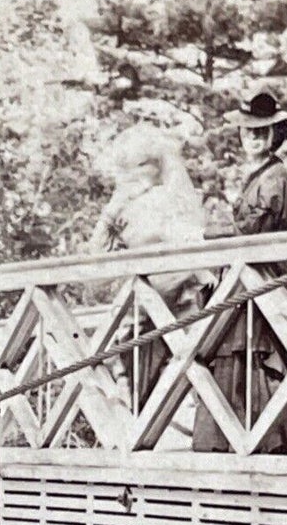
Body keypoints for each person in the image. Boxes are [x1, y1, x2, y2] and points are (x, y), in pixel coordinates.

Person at [199, 88, 287, 453]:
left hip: (263, 279)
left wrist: (209, 232)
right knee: (230, 359)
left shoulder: (277, 177)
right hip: (243, 281)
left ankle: (266, 444)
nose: (253, 138)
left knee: (256, 358)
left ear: (274, 135)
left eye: (261, 131)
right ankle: (229, 443)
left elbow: (254, 231)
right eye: (247, 132)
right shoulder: (256, 175)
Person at [89, 125, 212, 415]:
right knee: (117, 356)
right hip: (144, 303)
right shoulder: (125, 204)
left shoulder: (168, 201)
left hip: (170, 299)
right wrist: (111, 213)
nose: (134, 173)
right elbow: (96, 255)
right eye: (131, 165)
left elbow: (186, 248)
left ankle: (148, 422)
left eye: (142, 164)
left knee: (174, 364)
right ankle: (137, 422)